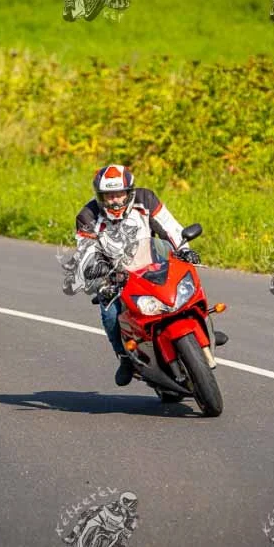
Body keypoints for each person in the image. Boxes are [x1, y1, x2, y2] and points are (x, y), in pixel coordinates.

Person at [70, 165, 199, 387]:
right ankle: (125, 357)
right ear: (100, 196)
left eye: (119, 194)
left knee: (186, 280)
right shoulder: (87, 216)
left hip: (153, 263)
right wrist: (97, 271)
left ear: (129, 192)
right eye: (109, 195)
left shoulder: (145, 199)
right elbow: (86, 252)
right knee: (110, 310)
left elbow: (170, 227)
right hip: (116, 276)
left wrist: (184, 249)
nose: (115, 201)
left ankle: (200, 320)